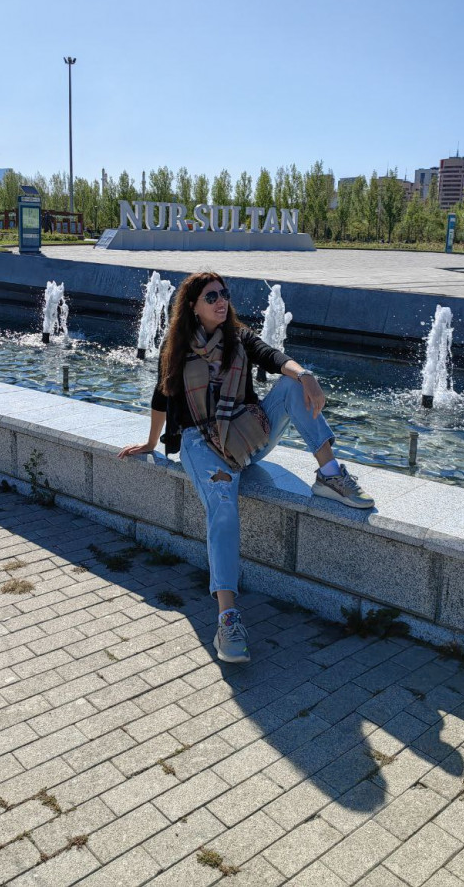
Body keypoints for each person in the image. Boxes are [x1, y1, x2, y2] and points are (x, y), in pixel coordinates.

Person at [118, 272, 373, 664]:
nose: (221, 301)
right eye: (211, 297)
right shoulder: (178, 345)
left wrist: (305, 375)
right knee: (223, 505)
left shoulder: (238, 337)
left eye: (224, 294)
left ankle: (329, 474)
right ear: (193, 306)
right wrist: (152, 443)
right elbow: (161, 395)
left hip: (244, 434)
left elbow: (273, 356)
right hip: (200, 443)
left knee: (292, 385)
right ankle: (228, 618)